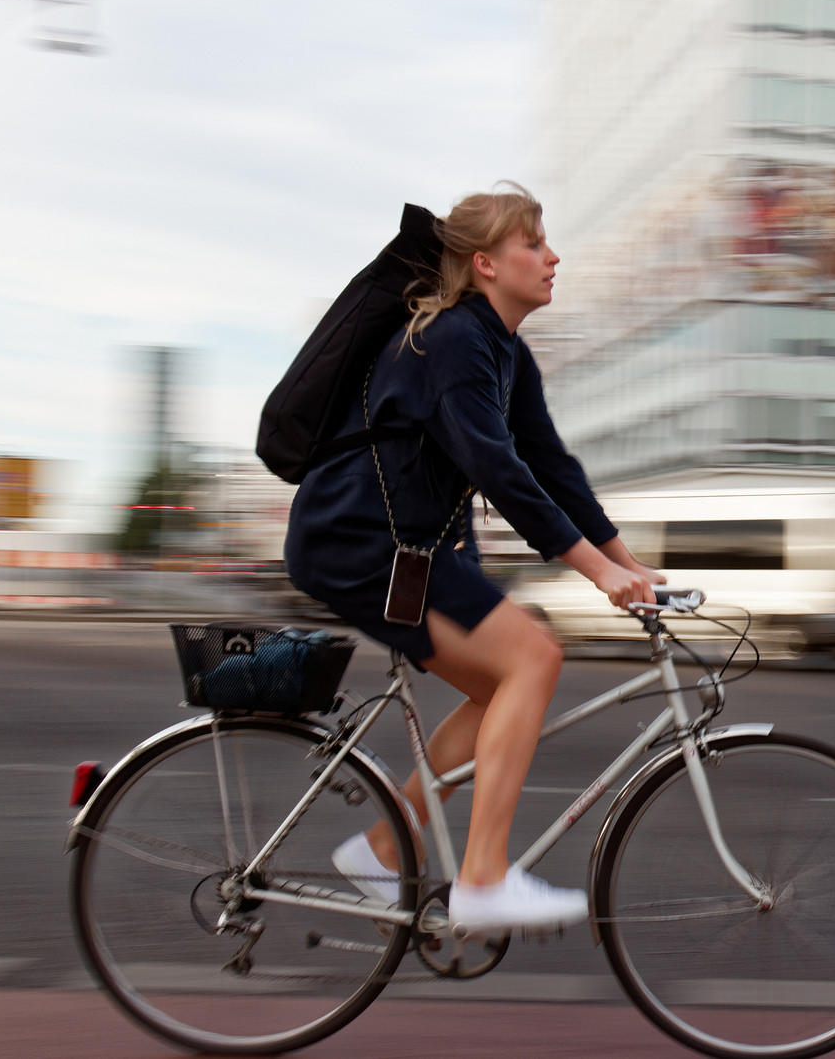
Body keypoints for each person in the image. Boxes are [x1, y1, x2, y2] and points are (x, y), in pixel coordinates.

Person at [284, 183, 663, 933]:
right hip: (359, 541)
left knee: (504, 686)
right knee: (534, 657)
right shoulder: (452, 339)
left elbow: (552, 468)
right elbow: (499, 469)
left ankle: (383, 851)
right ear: (485, 263)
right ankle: (484, 879)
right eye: (534, 243)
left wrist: (630, 564)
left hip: (407, 549)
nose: (553, 257)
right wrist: (597, 573)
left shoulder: (505, 353)